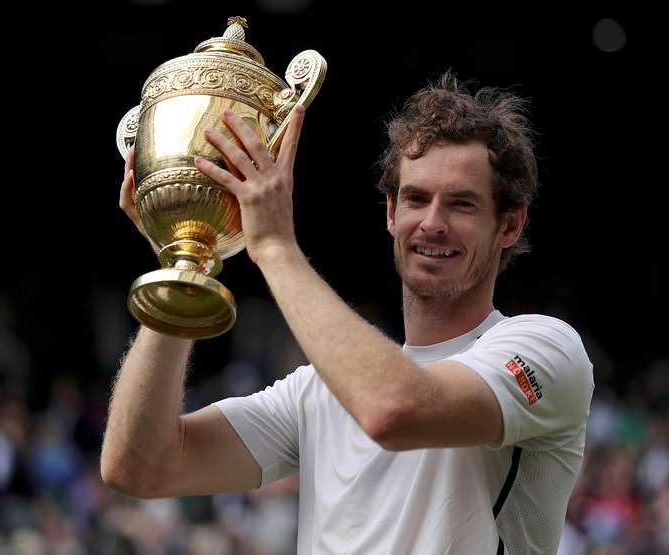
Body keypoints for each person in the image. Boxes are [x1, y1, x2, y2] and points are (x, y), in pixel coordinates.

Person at [102, 72, 594, 554]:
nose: (432, 223)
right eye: (416, 198)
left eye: (462, 204)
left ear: (509, 225)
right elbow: (140, 466)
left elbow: (395, 410)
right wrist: (184, 262)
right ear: (389, 213)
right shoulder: (318, 390)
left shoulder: (545, 348)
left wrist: (275, 246)